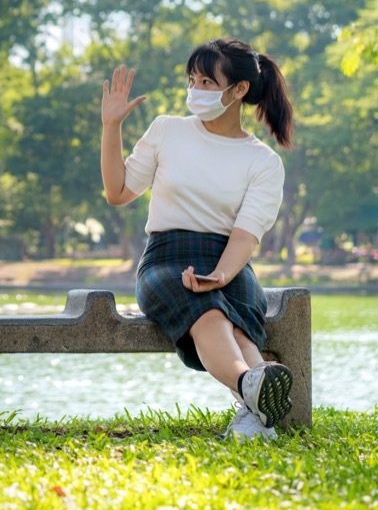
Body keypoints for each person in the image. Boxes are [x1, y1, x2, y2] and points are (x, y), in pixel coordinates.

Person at [100, 37, 295, 440]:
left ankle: (252, 413)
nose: (195, 89)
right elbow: (118, 192)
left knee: (239, 326)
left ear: (239, 89)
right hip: (166, 259)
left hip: (230, 262)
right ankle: (251, 386)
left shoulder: (263, 162)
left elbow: (244, 236)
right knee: (209, 313)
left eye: (207, 81)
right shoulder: (166, 130)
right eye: (192, 80)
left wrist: (220, 275)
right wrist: (111, 126)